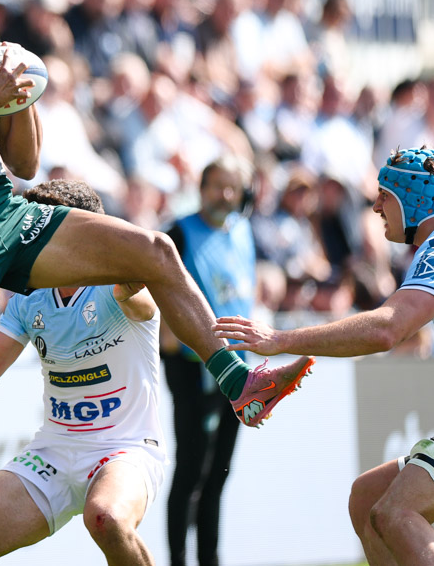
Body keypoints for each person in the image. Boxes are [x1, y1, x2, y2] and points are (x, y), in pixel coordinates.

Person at [0, 0, 313, 566]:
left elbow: (25, 168)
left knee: (156, 249)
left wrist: (17, 98)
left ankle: (239, 381)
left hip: (8, 214)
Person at [213, 146, 434, 565]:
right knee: (367, 498)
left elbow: (386, 328)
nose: (375, 207)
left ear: (412, 198)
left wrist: (279, 338)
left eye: (384, 195)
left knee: (396, 512)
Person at [0, 179, 165, 564]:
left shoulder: (118, 286)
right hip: (54, 453)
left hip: (125, 450)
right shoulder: (31, 299)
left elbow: (141, 298)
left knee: (106, 517)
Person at [162, 156, 256, 566]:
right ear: (201, 189)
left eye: (232, 186)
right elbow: (160, 289)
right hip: (190, 365)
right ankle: (179, 559)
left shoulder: (244, 230)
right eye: (218, 185)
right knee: (191, 471)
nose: (226, 195)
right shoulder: (178, 232)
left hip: (238, 369)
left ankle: (210, 559)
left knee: (219, 472)